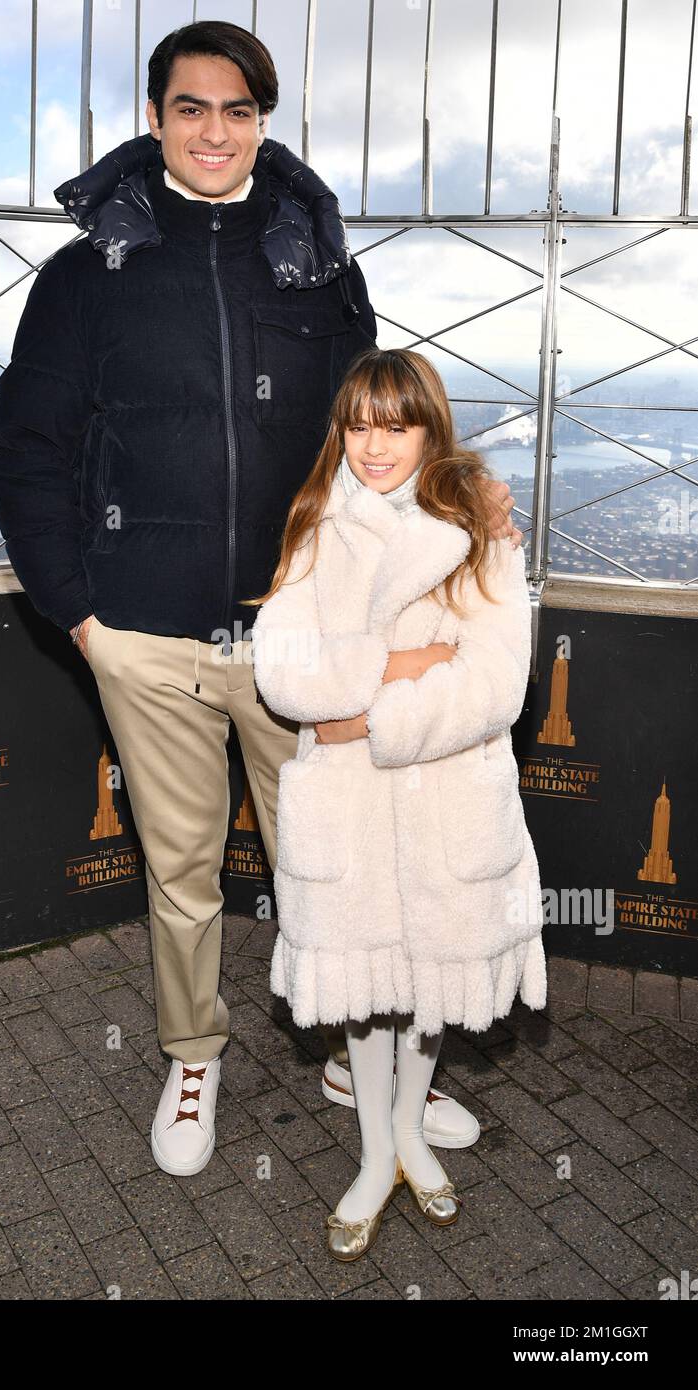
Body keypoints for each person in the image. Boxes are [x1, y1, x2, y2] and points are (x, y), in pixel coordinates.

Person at [0, 20, 521, 1179]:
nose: (214, 130)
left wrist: (464, 494)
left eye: (236, 109)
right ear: (156, 119)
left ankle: (355, 1057)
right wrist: (84, 620)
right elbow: (27, 451)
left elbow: (374, 441)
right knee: (180, 872)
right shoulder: (86, 277)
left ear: (262, 121)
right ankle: (191, 1051)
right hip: (145, 639)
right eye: (190, 107)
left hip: (304, 641)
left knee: (334, 862)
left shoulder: (320, 270)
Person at [249, 347, 546, 1259]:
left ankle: (412, 1133)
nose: (374, 447)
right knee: (363, 990)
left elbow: (497, 682)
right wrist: (404, 665)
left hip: (442, 798)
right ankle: (375, 1154)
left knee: (427, 989)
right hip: (346, 811)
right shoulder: (314, 520)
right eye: (359, 424)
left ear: (430, 428)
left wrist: (364, 725)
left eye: (397, 424)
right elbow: (281, 668)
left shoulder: (478, 525)